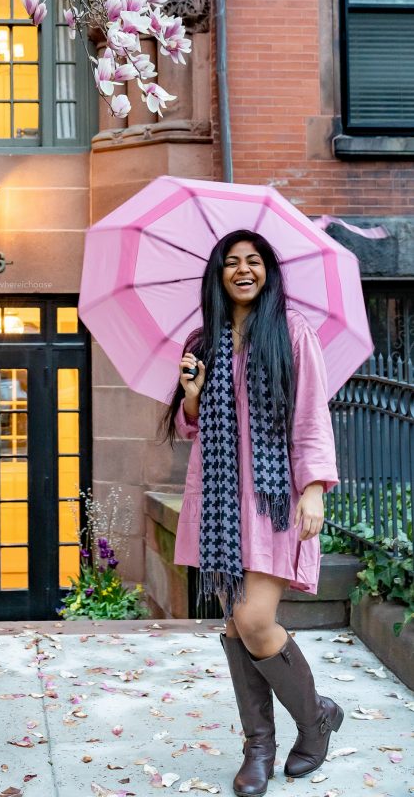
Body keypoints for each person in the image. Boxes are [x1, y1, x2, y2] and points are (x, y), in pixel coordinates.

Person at [161, 229, 344, 797]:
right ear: (217, 275)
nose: (243, 270)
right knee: (235, 625)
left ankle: (313, 721)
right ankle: (258, 748)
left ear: (267, 271)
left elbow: (311, 413)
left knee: (256, 621)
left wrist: (312, 488)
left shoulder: (291, 332)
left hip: (270, 499)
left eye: (253, 261)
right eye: (231, 262)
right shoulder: (203, 339)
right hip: (216, 500)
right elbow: (192, 427)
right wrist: (191, 393)